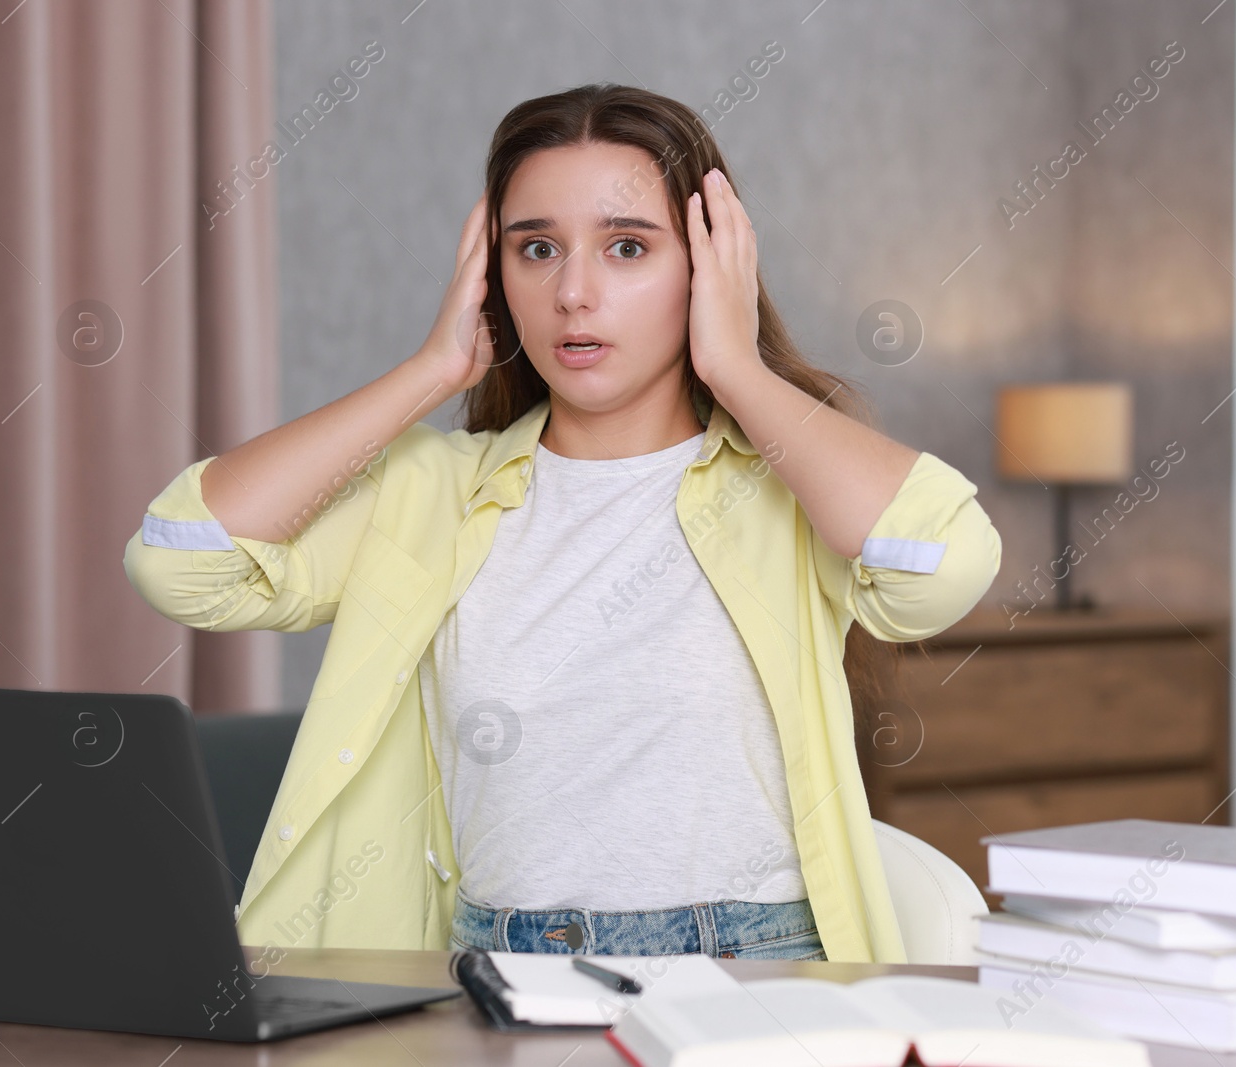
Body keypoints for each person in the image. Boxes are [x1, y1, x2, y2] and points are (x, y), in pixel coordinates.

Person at [124, 83, 1001, 963]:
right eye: (537, 248)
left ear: (707, 265)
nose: (574, 292)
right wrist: (434, 370)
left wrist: (735, 367)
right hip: (491, 976)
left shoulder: (785, 484)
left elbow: (943, 564)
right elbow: (184, 559)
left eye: (627, 247)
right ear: (492, 275)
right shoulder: (434, 492)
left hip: (749, 974)